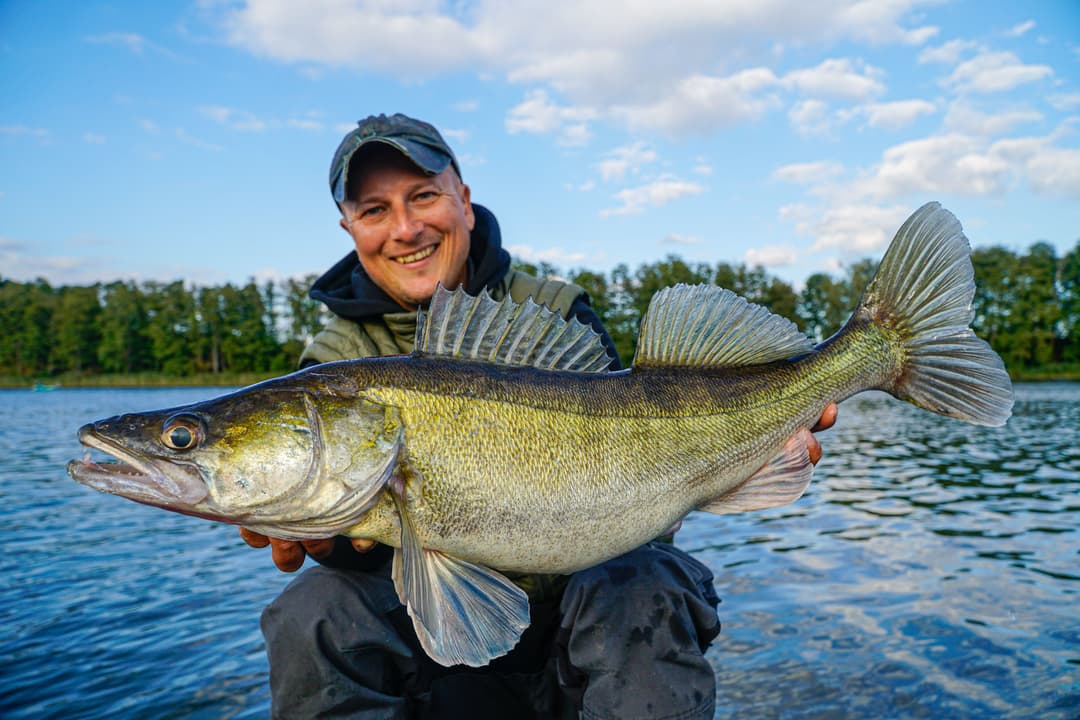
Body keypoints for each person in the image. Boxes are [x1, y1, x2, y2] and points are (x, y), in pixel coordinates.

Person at [240, 113, 838, 719]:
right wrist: (329, 543)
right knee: (311, 609)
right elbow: (357, 548)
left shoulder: (550, 308)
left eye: (423, 196)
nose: (405, 227)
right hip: (433, 649)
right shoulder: (332, 362)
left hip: (583, 616)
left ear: (465, 202)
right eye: (374, 210)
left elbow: (639, 466)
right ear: (349, 228)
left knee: (642, 581)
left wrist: (757, 438)